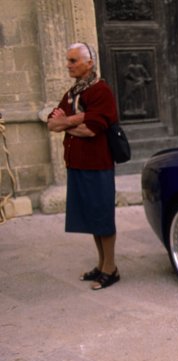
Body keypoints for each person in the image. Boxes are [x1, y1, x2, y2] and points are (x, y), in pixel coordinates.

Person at [47, 42, 121, 290]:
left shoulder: (101, 91)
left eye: (73, 61)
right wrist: (74, 120)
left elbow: (92, 129)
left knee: (102, 216)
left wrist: (67, 122)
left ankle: (111, 269)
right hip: (77, 163)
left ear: (89, 63)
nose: (68, 65)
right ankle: (101, 265)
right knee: (91, 217)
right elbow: (51, 123)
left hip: (97, 164)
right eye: (68, 60)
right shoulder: (72, 93)